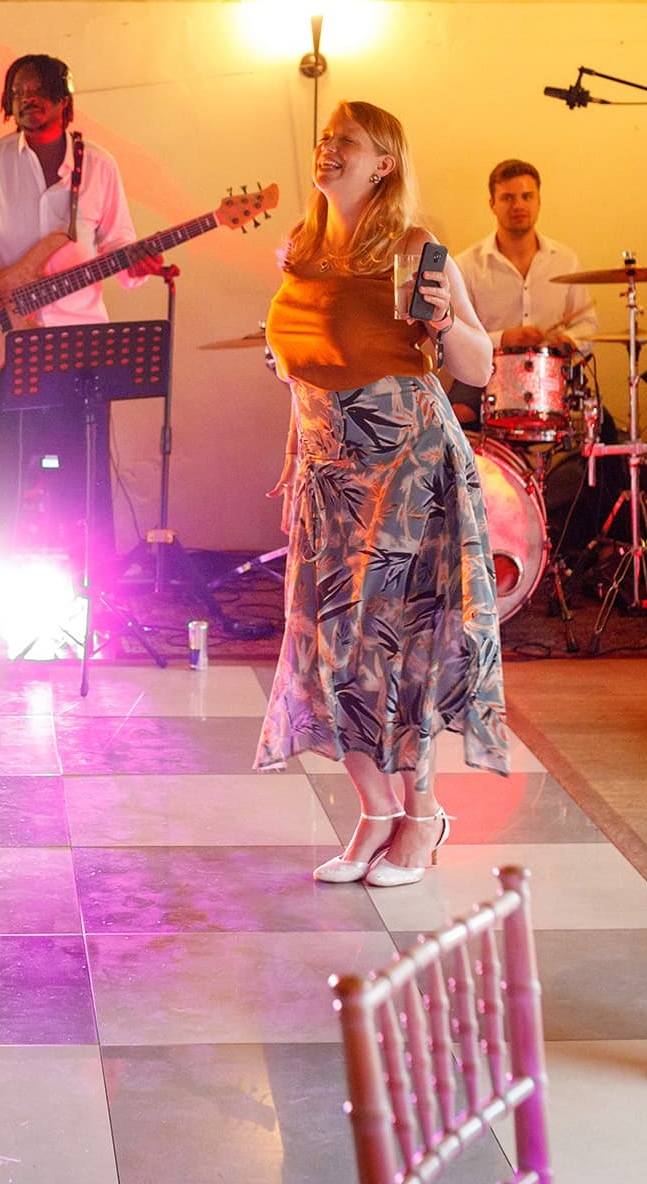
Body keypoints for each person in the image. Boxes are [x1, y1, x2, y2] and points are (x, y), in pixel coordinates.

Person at [254, 101, 508, 887]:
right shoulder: (297, 247)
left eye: (347, 143)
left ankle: (422, 813)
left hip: (406, 469)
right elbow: (301, 359)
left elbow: (479, 364)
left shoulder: (414, 249)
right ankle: (375, 812)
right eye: (325, 140)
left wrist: (440, 320)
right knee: (330, 649)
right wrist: (298, 442)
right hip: (330, 474)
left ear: (384, 163)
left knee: (397, 649)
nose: (328, 151)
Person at [0, 54, 157, 550]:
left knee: (82, 467)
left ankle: (85, 574)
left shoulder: (99, 165)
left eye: (38, 90)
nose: (27, 98)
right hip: (3, 339)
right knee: (1, 465)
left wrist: (135, 266)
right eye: (18, 91)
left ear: (64, 102)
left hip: (79, 340)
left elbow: (118, 243)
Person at [449, 159, 596, 426]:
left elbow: (588, 325)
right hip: (487, 373)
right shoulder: (465, 265)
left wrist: (568, 341)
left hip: (551, 374)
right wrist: (505, 338)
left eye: (527, 196)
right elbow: (457, 336)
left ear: (538, 201)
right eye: (507, 198)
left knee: (601, 428)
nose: (518, 205)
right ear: (492, 204)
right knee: (456, 419)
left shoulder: (566, 260)